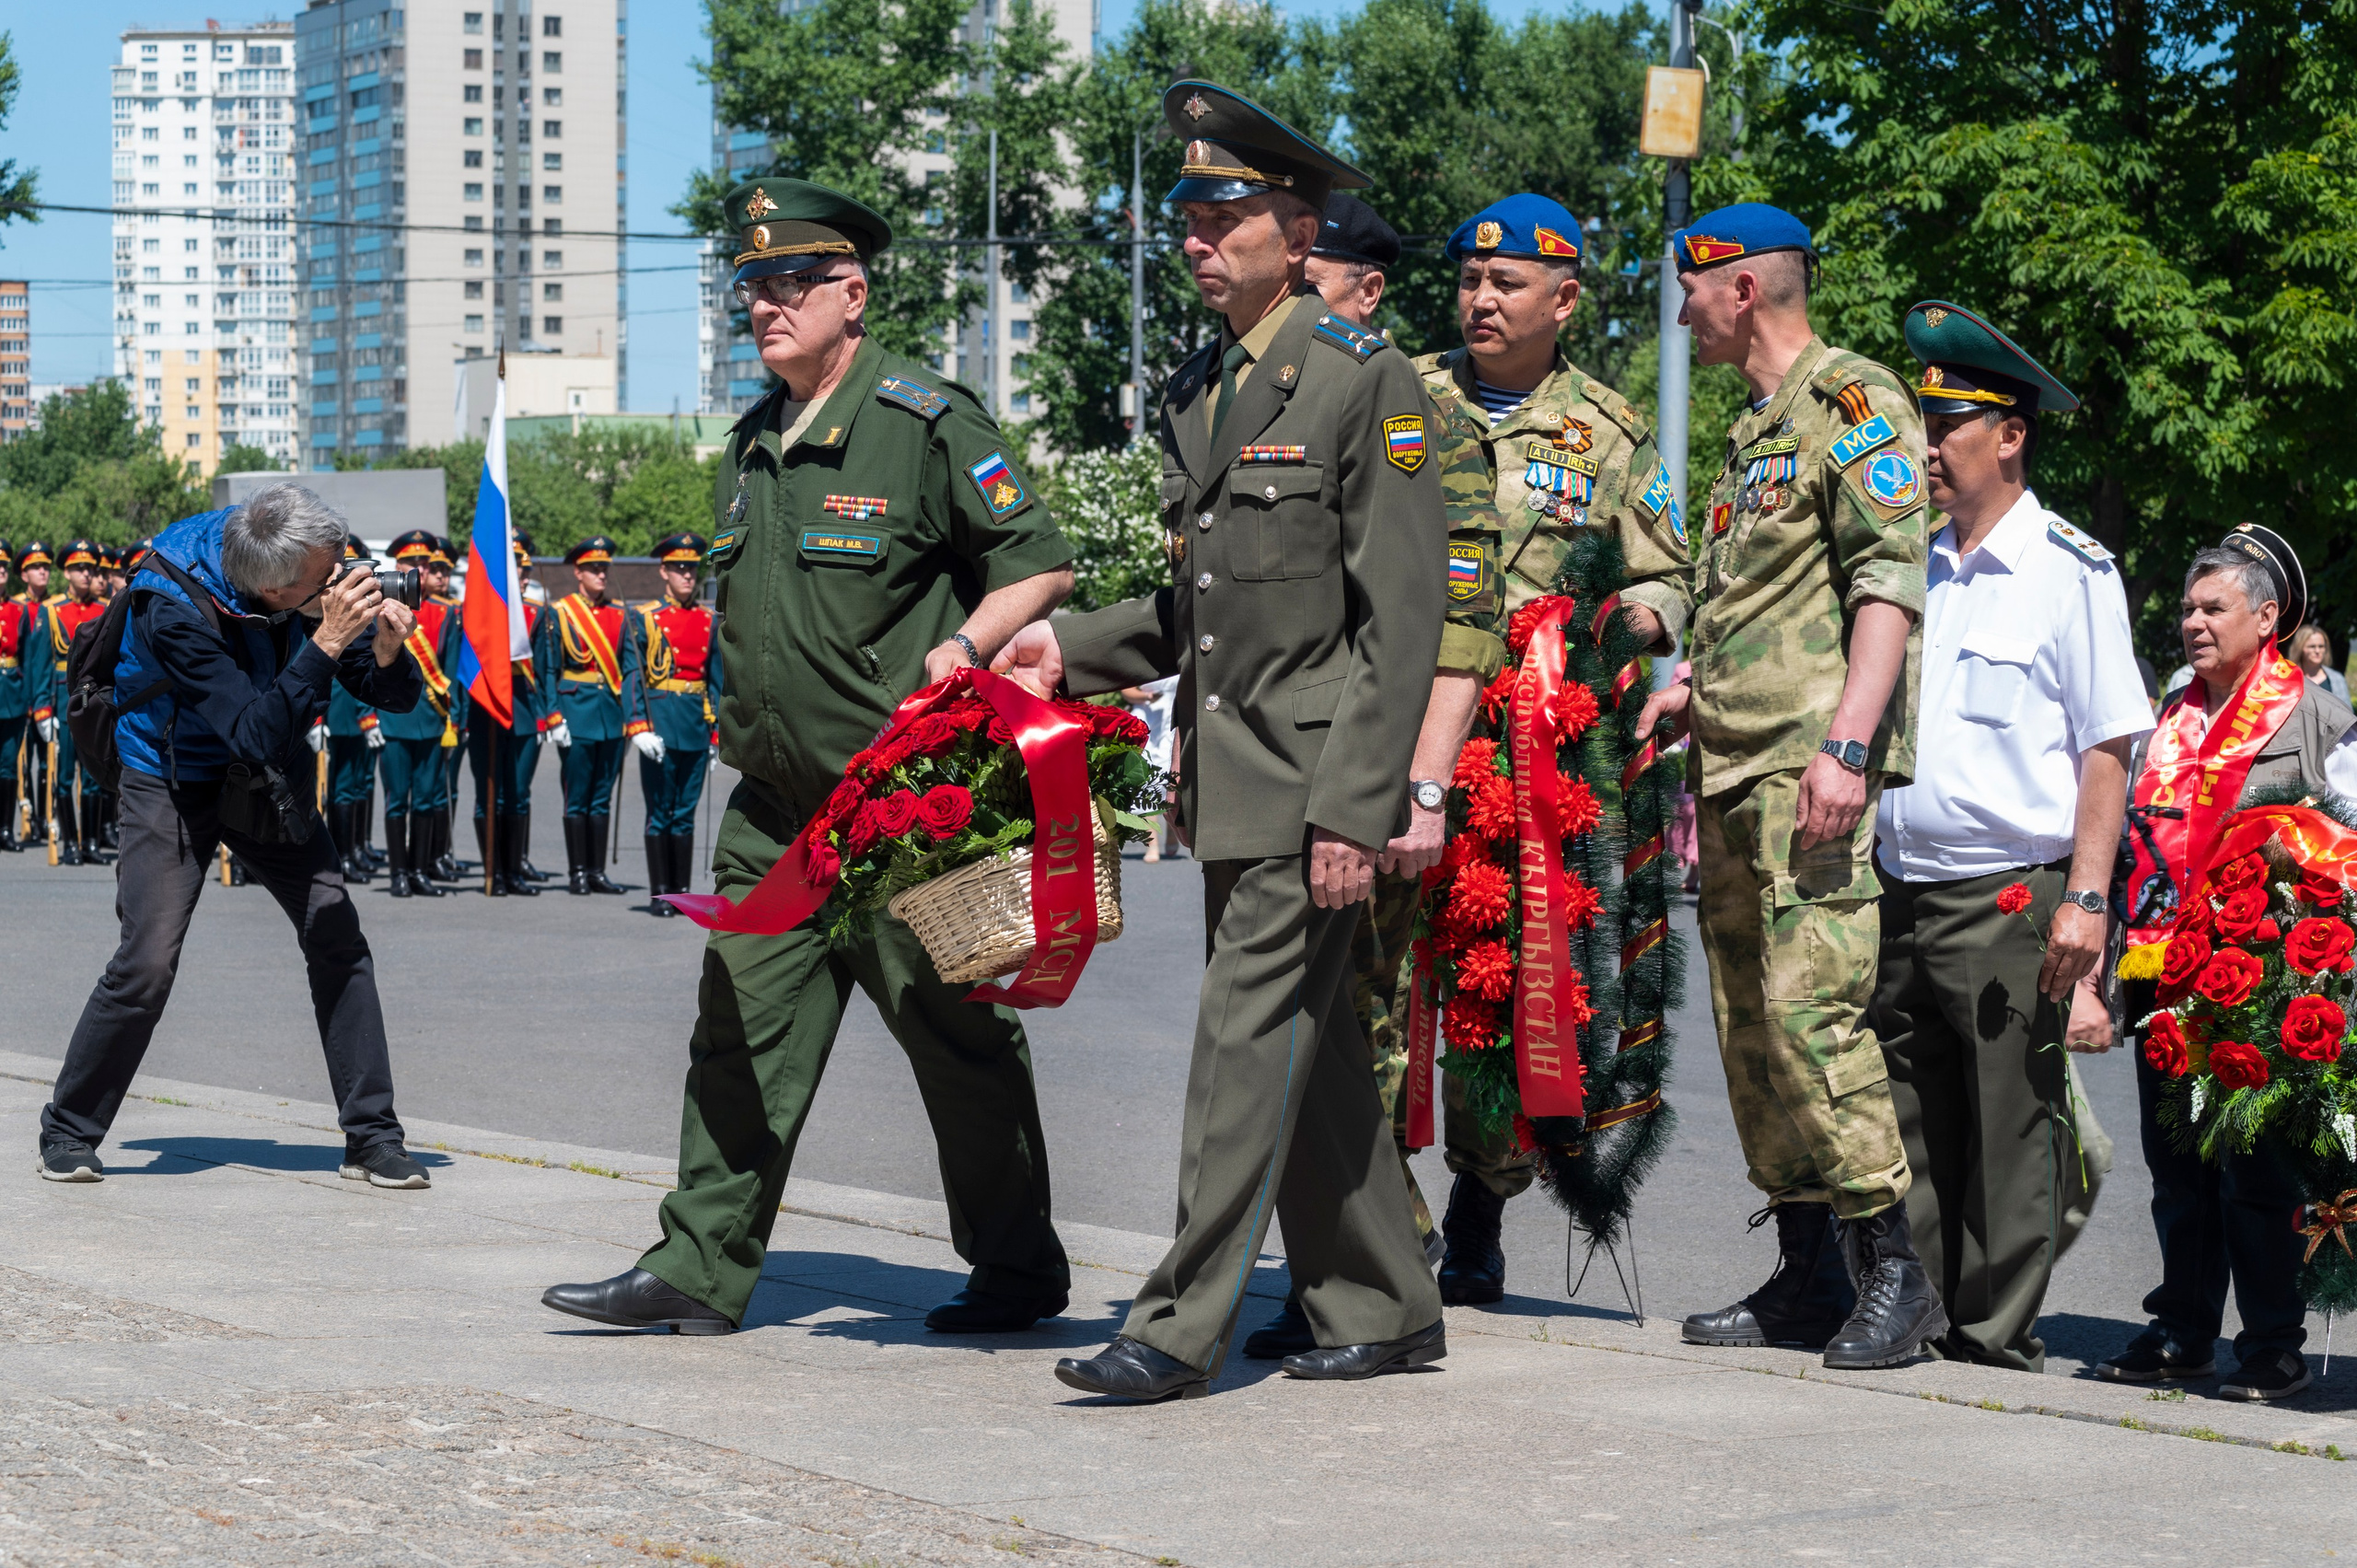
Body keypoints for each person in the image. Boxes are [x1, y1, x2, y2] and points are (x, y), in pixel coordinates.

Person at [540, 176, 1079, 1338]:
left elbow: (1038, 561)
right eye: (751, 284)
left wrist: (964, 642)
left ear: (852, 290)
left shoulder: (927, 420)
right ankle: (697, 1265)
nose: (765, 302)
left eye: (790, 282)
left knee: (957, 1039)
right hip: (777, 808)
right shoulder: (748, 443)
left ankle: (1017, 1266)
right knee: (737, 1025)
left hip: (907, 804)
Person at [996, 81, 1448, 1401]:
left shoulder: (1369, 381)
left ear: (1297, 226)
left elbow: (1398, 622)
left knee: (1240, 1050)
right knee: (1303, 1063)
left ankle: (1179, 1321)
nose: (1195, 234)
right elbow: (1202, 604)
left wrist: (1353, 810)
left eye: (1223, 210)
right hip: (1230, 776)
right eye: (1183, 212)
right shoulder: (1207, 382)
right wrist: (1063, 648)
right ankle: (1383, 1295)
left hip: (1314, 785)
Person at [1639, 203, 1938, 1369]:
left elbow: (1886, 585)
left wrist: (1849, 745)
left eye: (1692, 289)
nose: (1682, 312)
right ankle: (1810, 1269)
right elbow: (1756, 603)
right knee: (1752, 1030)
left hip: (1806, 772)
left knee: (1815, 1016)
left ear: (1745, 288)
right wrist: (1690, 684)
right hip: (1731, 763)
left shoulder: (1853, 403)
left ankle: (1896, 1275)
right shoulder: (1753, 429)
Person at [1396, 192, 1692, 1316]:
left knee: (1495, 983)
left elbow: (1664, 576)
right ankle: (1382, 1204)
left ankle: (1479, 1203)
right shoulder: (1398, 394)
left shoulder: (1610, 435)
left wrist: (1603, 628)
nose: (1480, 297)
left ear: (1562, 301)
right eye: (1470, 280)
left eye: (1505, 283)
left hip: (1528, 761)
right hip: (1391, 725)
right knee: (1379, 981)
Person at [1868, 302, 2152, 1373]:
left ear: (2010, 434)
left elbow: (2105, 746)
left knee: (2010, 1120)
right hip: (1900, 880)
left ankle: (1995, 1328)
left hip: (2006, 891)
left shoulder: (2070, 570)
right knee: (1911, 1116)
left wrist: (2085, 896)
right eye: (1923, 424)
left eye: (1946, 426)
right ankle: (1923, 1307)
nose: (1926, 448)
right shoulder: (1910, 563)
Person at [36, 484, 432, 1188]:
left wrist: (388, 646)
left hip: (261, 774)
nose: (339, 584)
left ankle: (373, 1137)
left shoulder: (298, 561)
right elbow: (250, 727)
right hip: (170, 776)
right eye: (324, 582)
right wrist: (331, 636)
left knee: (335, 929)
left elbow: (387, 692)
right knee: (148, 959)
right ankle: (68, 1128)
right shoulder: (174, 604)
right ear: (273, 592)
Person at [2099, 527, 2357, 1402]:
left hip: (2260, 976)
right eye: (2187, 608)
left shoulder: (2317, 714)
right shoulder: (2171, 711)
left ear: (2267, 615)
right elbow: (2140, 841)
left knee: (2259, 1167)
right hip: (2163, 970)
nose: (2195, 623)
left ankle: (2273, 1341)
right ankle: (2183, 1328)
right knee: (2177, 1167)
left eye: (2215, 608)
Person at [621, 532, 724, 914]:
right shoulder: (644, 617)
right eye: (679, 569)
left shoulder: (708, 619)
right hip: (660, 722)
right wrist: (638, 726)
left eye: (692, 569)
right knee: (660, 811)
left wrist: (717, 733)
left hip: (695, 724)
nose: (687, 576)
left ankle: (681, 892)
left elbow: (716, 680)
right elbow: (632, 675)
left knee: (685, 812)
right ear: (664, 571)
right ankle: (660, 892)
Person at [375, 528, 464, 899]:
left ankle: (419, 870)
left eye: (424, 565)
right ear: (398, 566)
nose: (419, 570)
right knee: (397, 799)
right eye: (411, 564)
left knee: (426, 799)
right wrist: (369, 718)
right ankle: (398, 873)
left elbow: (455, 671)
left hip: (432, 718)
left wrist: (455, 718)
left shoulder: (446, 614)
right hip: (394, 719)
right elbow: (367, 666)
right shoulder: (379, 608)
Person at [538, 537, 629, 895]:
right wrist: (553, 716)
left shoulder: (620, 614)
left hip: (611, 716)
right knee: (577, 796)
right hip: (575, 714)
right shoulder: (560, 613)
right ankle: (577, 871)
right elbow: (548, 670)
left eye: (604, 568)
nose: (601, 574)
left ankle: (596, 871)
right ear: (578, 572)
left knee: (602, 796)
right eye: (593, 568)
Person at [465, 535, 548, 897]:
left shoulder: (537, 613)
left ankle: (514, 872)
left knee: (518, 795)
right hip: (486, 710)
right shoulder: (475, 611)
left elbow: (546, 670)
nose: (523, 575)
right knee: (490, 795)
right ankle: (493, 871)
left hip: (525, 712)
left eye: (526, 569)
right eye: (516, 568)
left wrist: (549, 718)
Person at [43, 540, 114, 865]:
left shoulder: (104, 609)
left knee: (91, 774)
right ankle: (69, 842)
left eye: (90, 569)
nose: (87, 574)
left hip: (93, 699)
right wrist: (43, 709)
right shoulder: (53, 610)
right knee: (64, 776)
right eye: (80, 569)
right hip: (61, 696)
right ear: (67, 573)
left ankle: (90, 843)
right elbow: (43, 663)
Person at [323, 534, 381, 883]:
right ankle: (340, 856)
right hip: (336, 711)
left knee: (355, 782)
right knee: (341, 784)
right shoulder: (326, 607)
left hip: (356, 709)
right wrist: (317, 719)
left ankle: (352, 850)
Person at [15, 542, 55, 851]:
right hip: (18, 697)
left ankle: (44, 816)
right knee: (19, 761)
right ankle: (23, 813)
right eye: (35, 567)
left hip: (47, 697)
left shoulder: (53, 607)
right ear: (23, 574)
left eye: (46, 567)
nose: (43, 572)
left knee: (46, 763)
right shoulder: (16, 607)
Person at [0, 541, 36, 854]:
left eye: (2, 566)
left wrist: (26, 700)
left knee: (8, 767)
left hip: (11, 696)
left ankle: (4, 828)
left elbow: (25, 659)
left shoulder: (18, 610)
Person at [2292, 622, 2349, 707]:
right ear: (2300, 648)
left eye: (2321, 646)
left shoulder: (2336, 679)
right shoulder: (2291, 678)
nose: (2317, 651)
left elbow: (2348, 715)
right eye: (2312, 646)